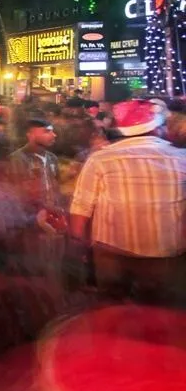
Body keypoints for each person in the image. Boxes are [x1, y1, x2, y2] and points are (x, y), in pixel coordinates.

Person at [69, 99, 186, 305]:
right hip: (166, 257)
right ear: (156, 129)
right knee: (160, 312)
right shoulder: (181, 158)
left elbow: (81, 207)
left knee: (112, 310)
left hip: (111, 256)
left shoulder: (101, 159)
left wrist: (79, 249)